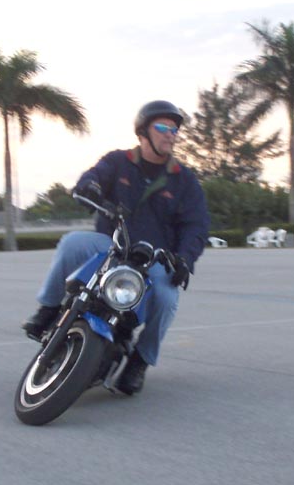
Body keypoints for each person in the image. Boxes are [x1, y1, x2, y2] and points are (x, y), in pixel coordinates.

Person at [22, 100, 210, 395]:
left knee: (166, 298)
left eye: (174, 130)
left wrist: (184, 259)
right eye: (163, 127)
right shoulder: (118, 161)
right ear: (143, 132)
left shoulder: (183, 179)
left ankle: (141, 360)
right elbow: (94, 175)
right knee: (71, 243)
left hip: (154, 258)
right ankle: (48, 308)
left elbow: (196, 226)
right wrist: (90, 186)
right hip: (112, 244)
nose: (170, 134)